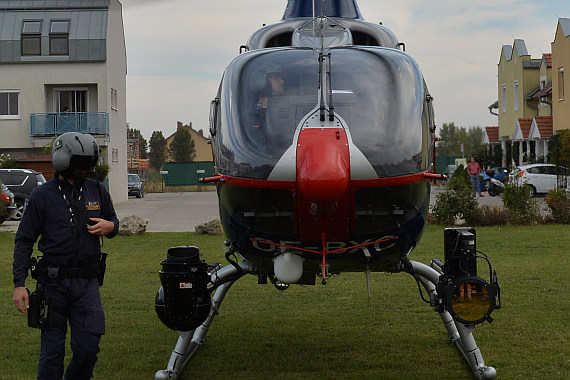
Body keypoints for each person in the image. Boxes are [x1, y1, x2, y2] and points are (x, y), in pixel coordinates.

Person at [12, 132, 119, 380]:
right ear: (64, 161)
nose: (87, 169)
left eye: (89, 163)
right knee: (52, 356)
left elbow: (113, 220)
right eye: (81, 164)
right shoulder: (42, 196)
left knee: (88, 349)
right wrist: (20, 284)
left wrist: (112, 227)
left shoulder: (97, 190)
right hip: (53, 285)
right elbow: (24, 240)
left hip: (87, 284)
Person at [247, 63, 285, 129]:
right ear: (261, 81)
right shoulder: (248, 116)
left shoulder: (286, 107)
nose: (282, 81)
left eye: (281, 78)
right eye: (276, 78)